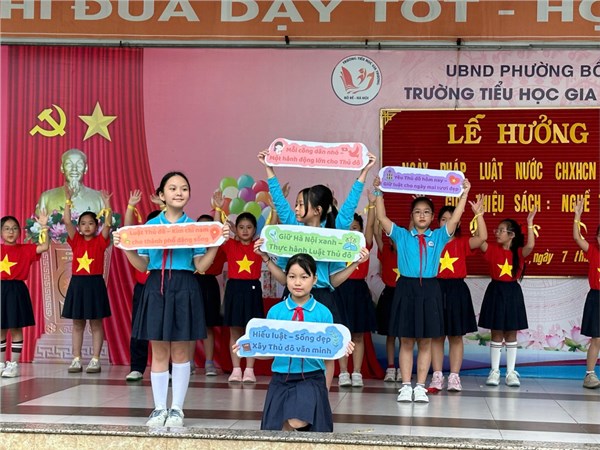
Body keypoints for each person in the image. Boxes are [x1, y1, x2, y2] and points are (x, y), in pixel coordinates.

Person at [113, 172, 228, 428]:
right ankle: (159, 409)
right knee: (159, 351)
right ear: (161, 195)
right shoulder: (149, 228)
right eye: (173, 188)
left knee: (180, 351)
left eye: (184, 188)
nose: (179, 192)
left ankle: (177, 409)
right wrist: (126, 247)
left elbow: (200, 266)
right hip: (156, 287)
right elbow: (142, 265)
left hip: (185, 287)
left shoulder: (195, 228)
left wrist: (215, 244)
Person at [373, 176, 471, 403]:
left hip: (430, 289)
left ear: (432, 216)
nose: (422, 215)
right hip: (406, 288)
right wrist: (378, 192)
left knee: (426, 340)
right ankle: (406, 386)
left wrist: (464, 194)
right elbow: (382, 217)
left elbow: (456, 218)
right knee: (406, 340)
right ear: (412, 216)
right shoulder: (401, 235)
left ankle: (420, 386)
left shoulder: (439, 236)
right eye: (417, 212)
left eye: (426, 212)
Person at [233, 253, 355, 432]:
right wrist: (248, 348)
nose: (298, 282)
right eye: (292, 277)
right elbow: (268, 351)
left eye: (304, 277)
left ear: (314, 279)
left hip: (311, 379)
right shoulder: (276, 312)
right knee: (273, 432)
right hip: (280, 379)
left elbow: (329, 358)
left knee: (298, 420)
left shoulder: (323, 313)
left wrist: (325, 388)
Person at [429, 196, 487, 392]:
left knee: (455, 336)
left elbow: (482, 238)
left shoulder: (462, 242)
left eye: (451, 219)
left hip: (457, 290)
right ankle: (437, 376)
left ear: (458, 222)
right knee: (437, 336)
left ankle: (454, 376)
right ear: (438, 222)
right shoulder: (432, 240)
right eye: (443, 219)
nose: (447, 222)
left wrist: (478, 214)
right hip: (436, 288)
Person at [478, 208, 537, 388]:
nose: (497, 233)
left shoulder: (518, 252)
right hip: (495, 291)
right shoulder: (492, 250)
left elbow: (530, 246)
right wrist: (479, 215)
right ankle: (494, 371)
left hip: (512, 293)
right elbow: (481, 239)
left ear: (511, 235)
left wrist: (529, 223)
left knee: (511, 333)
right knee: (496, 332)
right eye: (497, 230)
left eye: (501, 230)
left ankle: (510, 372)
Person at [213, 189, 265, 383]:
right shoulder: (230, 245)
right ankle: (236, 369)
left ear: (255, 229)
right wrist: (218, 209)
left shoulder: (259, 245)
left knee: (251, 330)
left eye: (249, 227)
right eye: (241, 227)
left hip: (252, 289)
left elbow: (272, 229)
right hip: (234, 289)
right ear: (235, 228)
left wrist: (275, 209)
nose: (244, 230)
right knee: (235, 331)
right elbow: (217, 232)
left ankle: (249, 370)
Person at [61, 187, 113, 375]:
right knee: (78, 323)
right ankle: (76, 359)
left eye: (91, 223)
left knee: (96, 323)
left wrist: (107, 204)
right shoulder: (75, 240)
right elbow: (67, 221)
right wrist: (68, 201)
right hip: (78, 285)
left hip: (95, 285)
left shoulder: (100, 241)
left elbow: (108, 224)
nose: (87, 226)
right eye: (83, 224)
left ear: (96, 226)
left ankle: (95, 359)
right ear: (79, 227)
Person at [1, 213, 50, 378]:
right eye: (7, 229)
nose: (11, 232)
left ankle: (14, 364)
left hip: (16, 290)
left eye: (14, 228)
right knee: (1, 328)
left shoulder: (25, 249)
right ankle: (1, 363)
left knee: (15, 327)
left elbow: (44, 246)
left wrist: (44, 227)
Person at [336, 195, 377, 388]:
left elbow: (371, 226)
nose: (351, 231)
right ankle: (343, 372)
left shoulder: (364, 244)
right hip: (340, 291)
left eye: (355, 228)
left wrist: (372, 205)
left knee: (358, 334)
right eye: (348, 228)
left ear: (360, 230)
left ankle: (357, 372)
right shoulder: (336, 245)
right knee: (342, 333)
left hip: (359, 291)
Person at [122, 189, 161, 382]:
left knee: (165, 328)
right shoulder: (142, 240)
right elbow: (127, 230)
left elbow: (174, 222)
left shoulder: (170, 241)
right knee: (139, 327)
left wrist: (162, 205)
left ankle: (169, 368)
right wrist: (131, 206)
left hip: (163, 287)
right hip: (143, 289)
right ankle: (137, 368)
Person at [195, 214, 226, 377]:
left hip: (209, 285)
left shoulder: (217, 246)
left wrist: (218, 212)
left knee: (208, 325)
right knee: (190, 324)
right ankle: (188, 362)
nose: (205, 229)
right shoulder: (191, 245)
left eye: (208, 226)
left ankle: (209, 363)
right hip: (192, 283)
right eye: (201, 226)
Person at [573, 198, 600, 389]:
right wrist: (577, 216)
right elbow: (577, 238)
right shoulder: (593, 252)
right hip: (596, 298)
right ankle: (590, 375)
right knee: (597, 338)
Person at [36, 149, 105, 216]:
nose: (74, 169)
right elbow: (39, 222)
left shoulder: (99, 198)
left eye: (79, 164)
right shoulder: (46, 198)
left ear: (86, 168)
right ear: (62, 168)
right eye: (69, 164)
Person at [374, 220, 401, 383]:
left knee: (404, 336)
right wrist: (377, 216)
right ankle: (391, 368)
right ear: (390, 241)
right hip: (389, 296)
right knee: (390, 335)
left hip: (404, 295)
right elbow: (377, 234)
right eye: (394, 239)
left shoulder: (408, 255)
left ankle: (403, 368)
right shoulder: (385, 251)